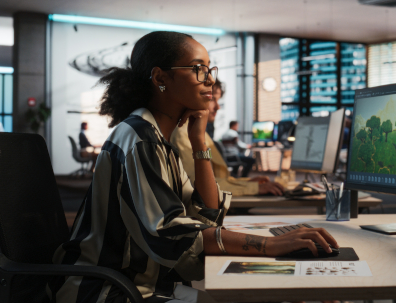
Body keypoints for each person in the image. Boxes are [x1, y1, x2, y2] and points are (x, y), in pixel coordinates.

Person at [49, 31, 337, 303]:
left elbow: (207, 214)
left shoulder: (159, 139)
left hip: (143, 284)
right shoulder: (140, 138)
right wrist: (270, 245)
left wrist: (199, 140)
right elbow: (174, 234)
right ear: (160, 78)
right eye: (199, 68)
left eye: (210, 70)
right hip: (108, 291)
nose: (209, 80)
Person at [173, 80, 284, 196]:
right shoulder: (183, 135)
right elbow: (198, 185)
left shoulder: (198, 133)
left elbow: (213, 180)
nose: (217, 107)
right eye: (212, 99)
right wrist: (252, 188)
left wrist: (246, 182)